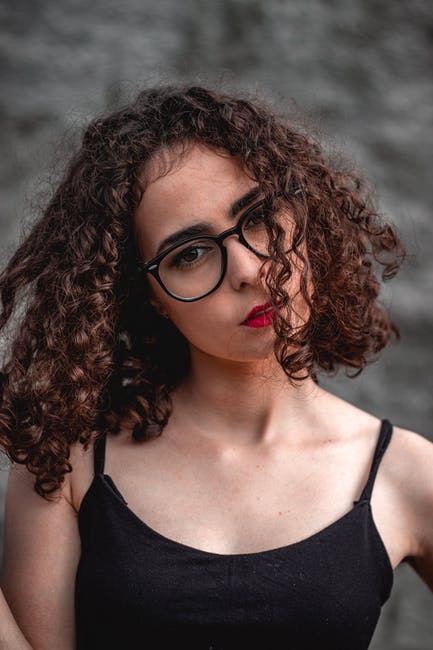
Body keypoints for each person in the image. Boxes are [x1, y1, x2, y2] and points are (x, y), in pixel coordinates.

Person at [0, 84, 432, 650]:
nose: (248, 270)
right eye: (190, 254)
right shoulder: (67, 460)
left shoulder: (407, 473)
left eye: (259, 216)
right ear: (150, 296)